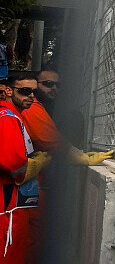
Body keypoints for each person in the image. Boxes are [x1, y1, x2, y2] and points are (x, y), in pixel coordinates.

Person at [0, 71, 51, 262]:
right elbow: (12, 164)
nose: (30, 96)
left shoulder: (12, 116)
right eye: (24, 91)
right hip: (8, 207)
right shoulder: (8, 118)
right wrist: (36, 164)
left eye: (33, 92)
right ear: (9, 91)